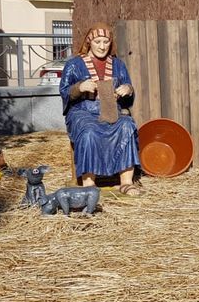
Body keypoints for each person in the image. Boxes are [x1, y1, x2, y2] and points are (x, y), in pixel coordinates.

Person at [59, 23, 142, 194]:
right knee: (89, 131)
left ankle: (126, 182)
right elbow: (64, 91)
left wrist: (128, 89)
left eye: (106, 42)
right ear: (89, 42)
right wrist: (79, 87)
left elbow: (129, 92)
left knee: (127, 126)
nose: (102, 46)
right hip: (82, 111)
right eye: (98, 42)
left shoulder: (118, 65)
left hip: (111, 110)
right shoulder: (74, 64)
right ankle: (89, 184)